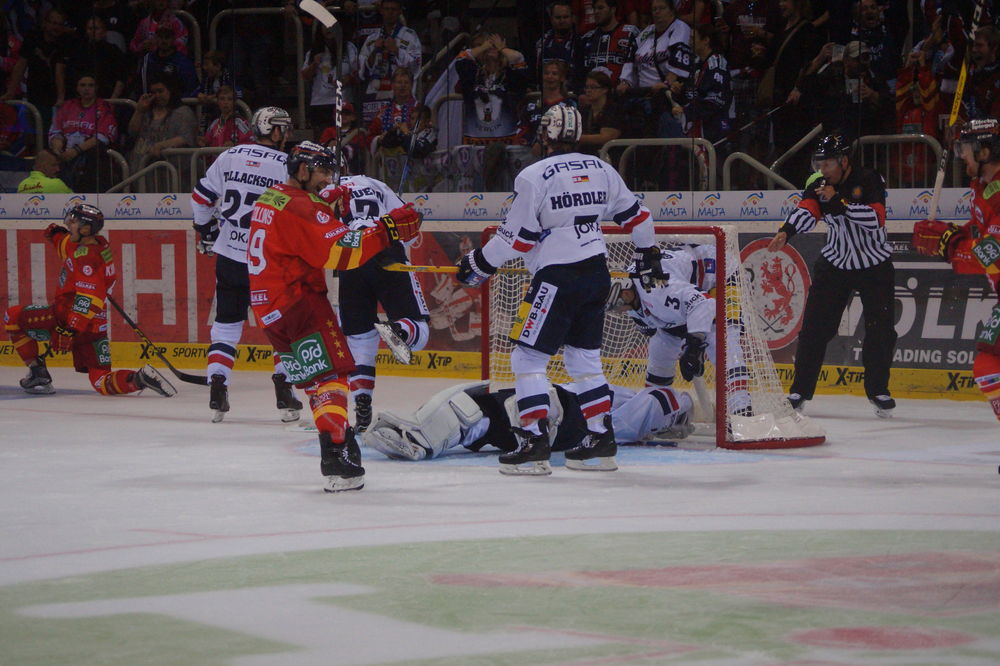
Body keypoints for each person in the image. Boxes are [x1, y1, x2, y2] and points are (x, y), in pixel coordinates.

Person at [455, 104, 662, 476]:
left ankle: (533, 442)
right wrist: (649, 255)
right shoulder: (601, 168)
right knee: (584, 361)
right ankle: (600, 441)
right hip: (597, 273)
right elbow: (640, 218)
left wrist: (476, 266)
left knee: (528, 359)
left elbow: (515, 240)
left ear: (547, 134)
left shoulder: (534, 175)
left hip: (557, 278)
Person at [247, 141, 422, 492]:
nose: (328, 179)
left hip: (268, 310)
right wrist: (388, 228)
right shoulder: (302, 208)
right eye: (323, 171)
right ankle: (337, 455)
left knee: (315, 383)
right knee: (333, 379)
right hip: (300, 303)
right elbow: (344, 253)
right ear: (302, 170)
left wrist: (321, 203)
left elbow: (295, 220)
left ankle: (338, 444)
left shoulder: (271, 197)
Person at [768, 134, 896, 417]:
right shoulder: (817, 184)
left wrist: (840, 202)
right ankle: (799, 390)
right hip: (836, 263)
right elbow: (807, 211)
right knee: (815, 329)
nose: (822, 170)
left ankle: (878, 391)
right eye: (819, 164)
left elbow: (876, 222)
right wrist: (786, 231)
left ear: (843, 162)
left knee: (881, 330)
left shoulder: (869, 179)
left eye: (827, 164)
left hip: (874, 265)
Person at [190, 105, 297, 424]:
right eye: (284, 129)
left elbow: (200, 199)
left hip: (230, 256)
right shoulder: (286, 164)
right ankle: (284, 388)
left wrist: (205, 229)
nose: (286, 135)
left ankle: (217, 384)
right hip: (268, 260)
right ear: (274, 131)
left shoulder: (230, 156)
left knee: (227, 322)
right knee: (283, 327)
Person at [3, 204, 176, 399]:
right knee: (100, 380)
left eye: (73, 222)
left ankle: (37, 374)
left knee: (13, 316)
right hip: (96, 324)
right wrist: (57, 235)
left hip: (67, 317)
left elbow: (89, 297)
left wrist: (71, 328)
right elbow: (70, 247)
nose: (69, 224)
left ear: (85, 229)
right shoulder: (100, 244)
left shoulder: (86, 259)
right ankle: (138, 378)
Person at [319, 167, 431, 432]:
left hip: (350, 260)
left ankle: (362, 404)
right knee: (419, 332)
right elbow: (412, 222)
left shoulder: (320, 192)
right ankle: (397, 328)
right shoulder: (374, 183)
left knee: (359, 340)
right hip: (384, 250)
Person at [361, 380, 694, 461]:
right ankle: (423, 433)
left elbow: (658, 399)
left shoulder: (625, 421)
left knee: (498, 411)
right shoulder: (610, 397)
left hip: (566, 420)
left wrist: (684, 404)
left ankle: (424, 438)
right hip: (563, 406)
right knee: (486, 408)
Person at [912, 119, 1000, 423]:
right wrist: (950, 234)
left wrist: (948, 244)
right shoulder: (982, 187)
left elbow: (995, 254)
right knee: (988, 365)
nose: (961, 155)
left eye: (966, 148)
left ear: (985, 151)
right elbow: (981, 233)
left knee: (989, 364)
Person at [607, 244, 753, 416]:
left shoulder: (657, 289)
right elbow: (664, 324)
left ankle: (741, 409)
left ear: (625, 294)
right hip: (689, 289)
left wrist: (693, 346)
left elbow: (703, 304)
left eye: (616, 305)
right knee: (660, 350)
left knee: (722, 339)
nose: (618, 311)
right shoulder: (633, 295)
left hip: (720, 273)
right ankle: (657, 413)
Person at [47, 73, 119, 191]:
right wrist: (58, 149)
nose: (86, 89)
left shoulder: (104, 107)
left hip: (89, 154)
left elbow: (102, 136)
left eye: (90, 85)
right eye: (83, 85)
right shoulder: (67, 106)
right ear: (77, 88)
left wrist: (76, 151)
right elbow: (56, 131)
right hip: (66, 153)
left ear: (96, 88)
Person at [357, 0, 421, 126]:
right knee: (374, 134)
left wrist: (396, 50)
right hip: (375, 96)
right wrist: (375, 51)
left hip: (400, 94)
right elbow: (361, 71)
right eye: (386, 9)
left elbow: (416, 66)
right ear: (381, 11)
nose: (390, 12)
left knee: (402, 131)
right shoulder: (372, 38)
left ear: (399, 11)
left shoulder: (410, 36)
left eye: (393, 9)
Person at [126, 73, 197, 176]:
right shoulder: (147, 112)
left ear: (170, 90)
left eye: (160, 91)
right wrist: (139, 110)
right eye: (153, 92)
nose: (157, 96)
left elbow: (186, 137)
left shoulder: (183, 112)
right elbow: (132, 132)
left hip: (171, 174)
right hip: (142, 172)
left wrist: (161, 145)